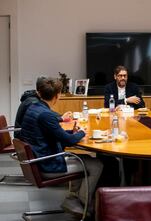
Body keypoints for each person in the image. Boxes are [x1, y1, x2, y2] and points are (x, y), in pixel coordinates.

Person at [19, 77, 103, 217]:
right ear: (58, 95)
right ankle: (83, 204)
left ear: (39, 93)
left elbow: (56, 134)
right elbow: (69, 141)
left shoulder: (33, 108)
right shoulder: (46, 114)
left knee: (84, 159)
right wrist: (82, 132)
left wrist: (72, 132)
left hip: (38, 159)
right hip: (46, 165)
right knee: (96, 165)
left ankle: (73, 199)